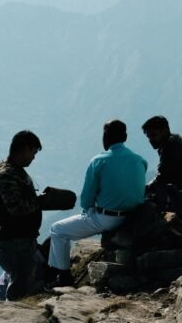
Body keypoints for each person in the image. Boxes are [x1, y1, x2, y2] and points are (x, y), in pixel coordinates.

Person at [47, 120, 146, 287]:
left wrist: (90, 211)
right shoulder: (140, 160)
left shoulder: (98, 161)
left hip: (107, 218)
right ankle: (55, 274)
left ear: (105, 137)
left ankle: (63, 277)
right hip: (135, 216)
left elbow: (86, 199)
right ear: (126, 137)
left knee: (57, 230)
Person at [0, 131, 47, 300]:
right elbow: (16, 208)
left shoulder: (15, 171)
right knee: (20, 290)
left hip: (22, 240)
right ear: (24, 149)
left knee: (24, 281)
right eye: (33, 152)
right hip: (15, 243)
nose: (33, 157)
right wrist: (41, 201)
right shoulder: (7, 175)